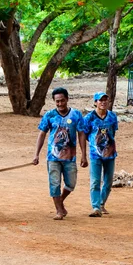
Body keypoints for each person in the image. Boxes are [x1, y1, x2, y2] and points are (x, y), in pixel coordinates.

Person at [33, 87, 88, 220]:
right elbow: (42, 134)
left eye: (62, 101)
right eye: (57, 101)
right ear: (54, 101)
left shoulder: (76, 115)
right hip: (53, 157)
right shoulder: (49, 115)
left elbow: (81, 134)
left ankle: (60, 201)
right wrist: (36, 154)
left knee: (71, 183)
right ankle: (59, 210)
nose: (60, 104)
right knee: (54, 183)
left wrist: (83, 155)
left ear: (67, 99)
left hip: (70, 157)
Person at [83, 92, 118, 217]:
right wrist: (95, 144)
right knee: (95, 181)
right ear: (95, 102)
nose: (103, 102)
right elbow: (85, 134)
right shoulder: (89, 118)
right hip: (95, 154)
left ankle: (102, 203)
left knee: (108, 182)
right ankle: (96, 207)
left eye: (105, 100)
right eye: (100, 100)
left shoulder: (112, 117)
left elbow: (113, 132)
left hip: (110, 153)